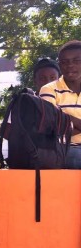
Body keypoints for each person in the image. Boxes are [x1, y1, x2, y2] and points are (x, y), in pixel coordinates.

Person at [39, 40, 81, 168]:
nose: (70, 65)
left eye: (76, 61)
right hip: (64, 149)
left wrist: (67, 120)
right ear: (59, 65)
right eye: (64, 62)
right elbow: (51, 127)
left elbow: (61, 124)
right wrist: (61, 123)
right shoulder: (49, 89)